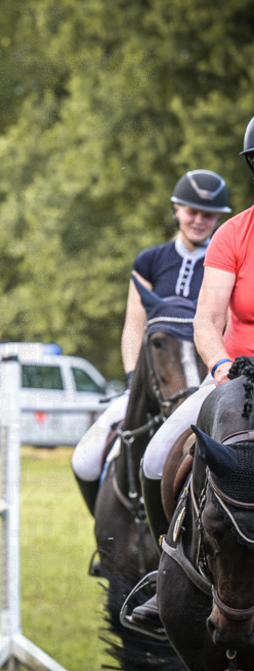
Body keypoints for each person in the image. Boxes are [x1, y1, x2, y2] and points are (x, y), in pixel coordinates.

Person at [130, 115, 254, 630]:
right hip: (232, 376)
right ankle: (168, 573)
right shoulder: (234, 233)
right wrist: (221, 366)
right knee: (158, 458)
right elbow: (205, 321)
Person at [70, 168, 231, 516]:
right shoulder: (150, 261)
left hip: (205, 382)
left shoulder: (223, 261)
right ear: (176, 209)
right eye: (192, 211)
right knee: (84, 458)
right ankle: (106, 535)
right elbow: (133, 327)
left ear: (219, 217)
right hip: (150, 380)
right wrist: (132, 379)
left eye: (209, 214)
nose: (199, 220)